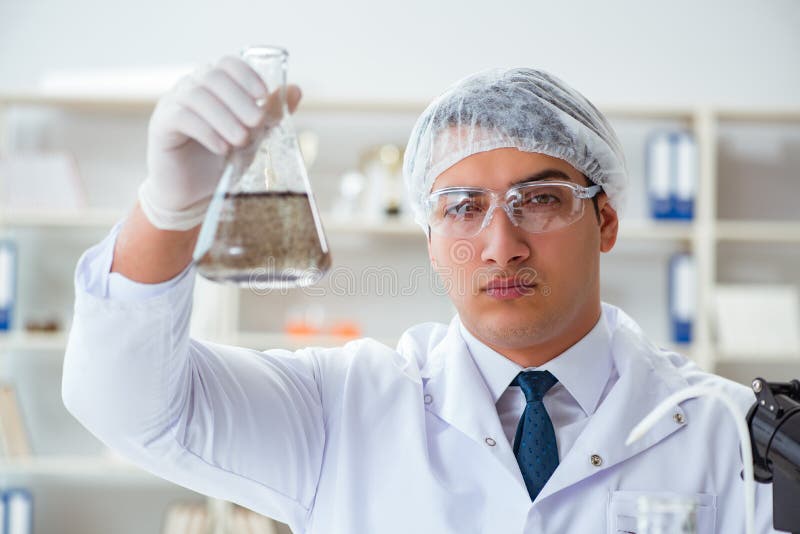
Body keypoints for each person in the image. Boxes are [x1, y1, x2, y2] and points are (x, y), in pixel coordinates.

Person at [62, 54, 777, 533]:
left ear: (607, 221)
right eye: (463, 207)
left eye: (540, 199)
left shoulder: (730, 431)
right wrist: (169, 208)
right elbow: (128, 408)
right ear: (432, 240)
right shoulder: (339, 410)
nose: (501, 245)